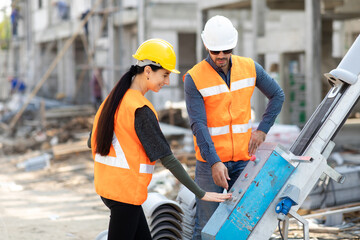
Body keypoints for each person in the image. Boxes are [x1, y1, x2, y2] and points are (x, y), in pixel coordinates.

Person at [90, 39, 232, 240]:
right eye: (164, 75)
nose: (166, 82)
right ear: (147, 71)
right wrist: (201, 193)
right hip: (125, 193)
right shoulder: (139, 109)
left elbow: (92, 141)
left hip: (109, 189)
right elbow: (168, 158)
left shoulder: (113, 100)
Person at [183, 15, 285, 239]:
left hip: (243, 159)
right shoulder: (195, 78)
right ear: (206, 46)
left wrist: (262, 129)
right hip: (210, 165)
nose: (221, 56)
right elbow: (198, 125)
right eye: (215, 51)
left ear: (233, 45)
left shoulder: (249, 67)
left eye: (226, 50)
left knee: (245, 224)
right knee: (206, 227)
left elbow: (277, 95)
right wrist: (214, 162)